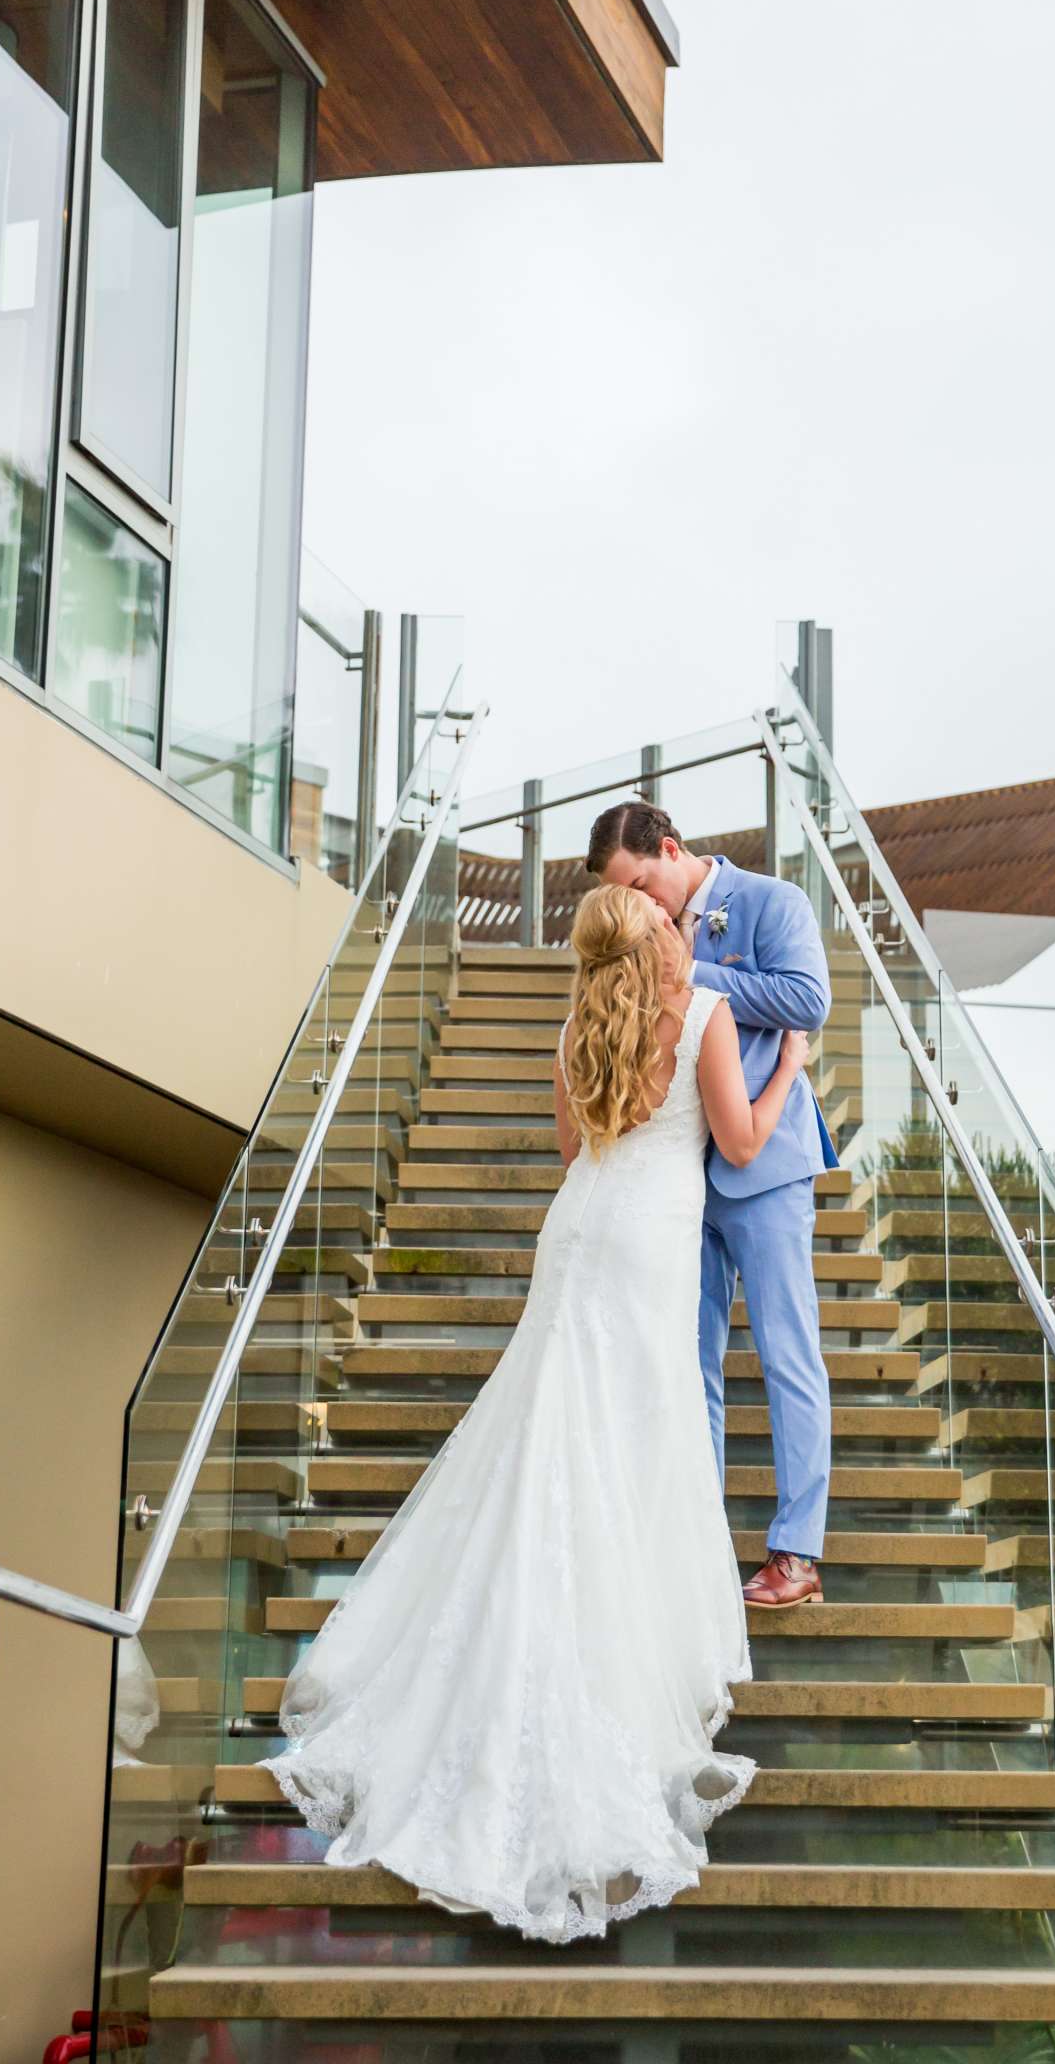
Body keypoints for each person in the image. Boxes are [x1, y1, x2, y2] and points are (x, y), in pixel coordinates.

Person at [266, 883, 811, 1942]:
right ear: (656, 939)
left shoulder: (575, 1024)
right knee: (638, 1426)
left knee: (551, 1423)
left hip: (578, 1232)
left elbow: (572, 1148)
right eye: (665, 923)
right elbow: (741, 1146)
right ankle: (634, 1620)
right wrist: (786, 1063)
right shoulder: (703, 1015)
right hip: (652, 1240)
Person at [588, 801, 835, 1608]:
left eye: (643, 884)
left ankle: (795, 1554)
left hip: (764, 1169)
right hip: (677, 1180)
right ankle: (694, 1546)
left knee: (785, 1355)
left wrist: (692, 975)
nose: (646, 908)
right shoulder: (646, 927)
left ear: (670, 848)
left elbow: (807, 1001)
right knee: (690, 1365)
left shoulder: (772, 902)